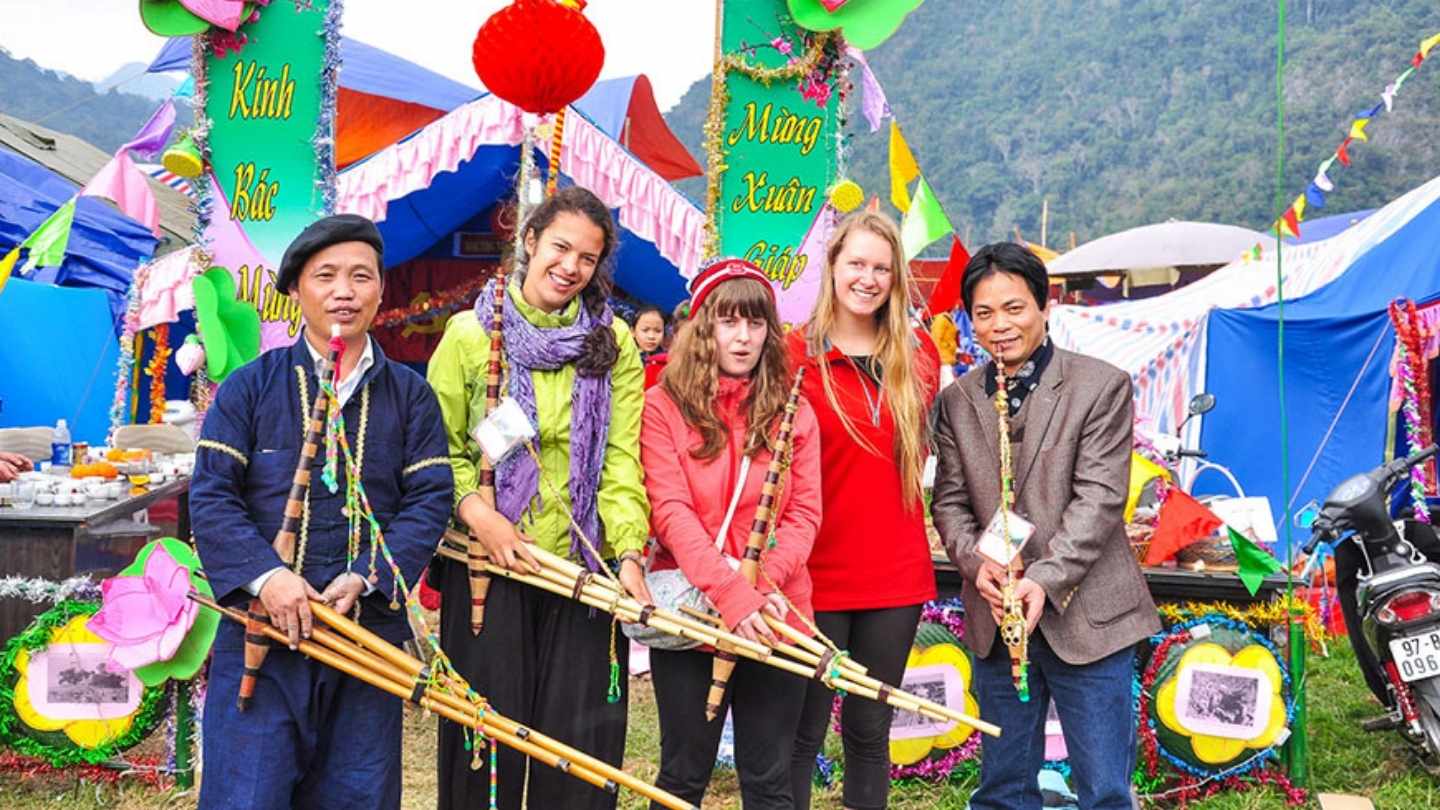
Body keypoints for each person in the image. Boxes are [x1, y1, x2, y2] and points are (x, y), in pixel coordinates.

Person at [190, 214, 454, 810]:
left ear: (381, 290)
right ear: (294, 291)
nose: (344, 290)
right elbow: (211, 495)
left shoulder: (411, 396)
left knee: (356, 794)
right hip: (261, 629)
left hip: (365, 635)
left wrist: (366, 576)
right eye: (326, 275)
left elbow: (430, 499)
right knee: (247, 794)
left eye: (361, 276)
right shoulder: (248, 389)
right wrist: (270, 578)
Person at [427, 185, 652, 810]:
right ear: (529, 242)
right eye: (560, 247)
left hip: (582, 570)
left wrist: (628, 552)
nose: (570, 267)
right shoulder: (470, 337)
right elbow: (436, 454)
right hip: (487, 569)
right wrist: (482, 516)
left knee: (577, 753)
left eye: (587, 256)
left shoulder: (615, 345)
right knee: (486, 745)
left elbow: (620, 461)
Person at [930, 242, 1160, 810]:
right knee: (1003, 788)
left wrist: (1045, 579)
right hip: (996, 613)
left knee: (1104, 788)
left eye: (1014, 308)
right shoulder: (957, 400)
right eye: (983, 314)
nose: (999, 326)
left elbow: (1100, 500)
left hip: (1088, 614)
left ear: (1044, 305)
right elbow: (950, 504)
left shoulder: (1099, 386)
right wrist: (976, 563)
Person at [641, 258, 822, 809]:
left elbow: (804, 515)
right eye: (728, 322)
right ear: (703, 327)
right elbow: (670, 512)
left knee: (769, 776)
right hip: (694, 610)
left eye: (756, 323)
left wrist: (757, 589)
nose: (743, 337)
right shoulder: (663, 407)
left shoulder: (795, 412)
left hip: (775, 614)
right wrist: (728, 592)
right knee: (682, 771)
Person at [786, 210, 941, 810]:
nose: (868, 278)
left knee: (870, 732)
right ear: (832, 267)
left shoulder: (919, 355)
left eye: (882, 267)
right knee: (801, 731)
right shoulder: (794, 352)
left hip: (893, 573)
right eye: (857, 263)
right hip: (810, 571)